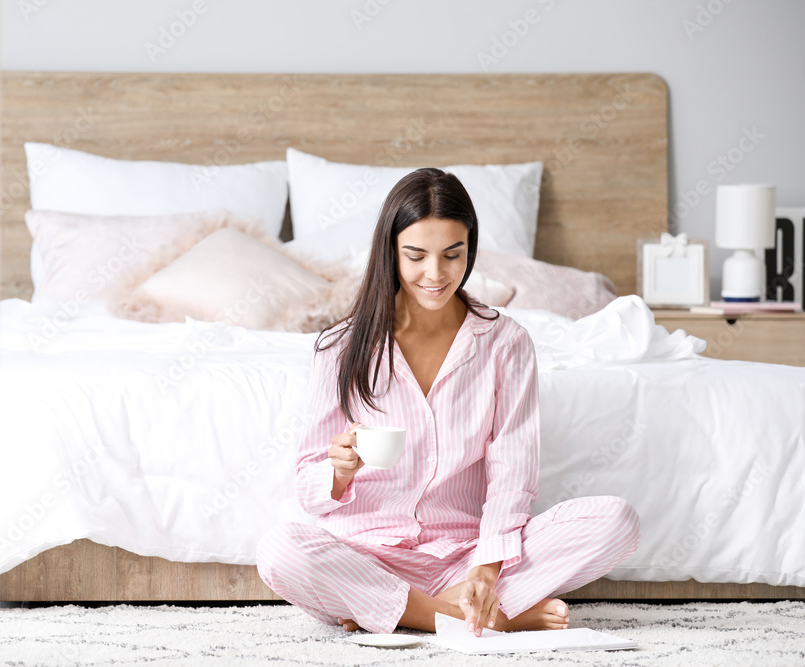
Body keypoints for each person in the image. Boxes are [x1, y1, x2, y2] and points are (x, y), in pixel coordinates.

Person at [256, 167, 640, 636]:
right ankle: (476, 617)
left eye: (452, 255)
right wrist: (337, 472)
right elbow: (307, 488)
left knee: (615, 521)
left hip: (466, 557)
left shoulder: (505, 344)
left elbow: (512, 474)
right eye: (415, 255)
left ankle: (414, 609)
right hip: (369, 559)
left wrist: (485, 569)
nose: (435, 274)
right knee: (279, 550)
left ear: (470, 250)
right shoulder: (340, 346)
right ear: (390, 252)